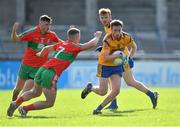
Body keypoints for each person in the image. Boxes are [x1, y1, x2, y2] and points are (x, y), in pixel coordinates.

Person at [7, 27, 102, 117]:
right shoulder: (74, 47)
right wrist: (97, 36)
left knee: (34, 92)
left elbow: (47, 48)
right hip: (51, 73)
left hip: (42, 69)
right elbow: (91, 44)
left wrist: (40, 53)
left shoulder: (61, 44)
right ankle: (24, 109)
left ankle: (15, 102)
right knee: (49, 102)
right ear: (77, 37)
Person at [81, 19, 158, 115]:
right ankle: (91, 88)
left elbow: (134, 47)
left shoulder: (126, 37)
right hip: (104, 65)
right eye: (115, 30)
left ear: (121, 29)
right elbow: (105, 57)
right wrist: (119, 55)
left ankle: (98, 109)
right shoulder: (107, 39)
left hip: (117, 65)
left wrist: (129, 57)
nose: (117, 33)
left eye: (119, 30)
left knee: (116, 90)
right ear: (111, 30)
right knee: (102, 91)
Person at [10, 15, 62, 101]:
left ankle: (16, 104)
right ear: (40, 23)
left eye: (49, 25)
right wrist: (14, 30)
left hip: (38, 68)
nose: (48, 27)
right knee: (17, 89)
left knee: (26, 90)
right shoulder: (32, 32)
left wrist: (71, 44)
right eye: (46, 24)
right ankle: (14, 101)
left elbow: (61, 43)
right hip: (26, 65)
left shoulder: (51, 35)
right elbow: (16, 40)